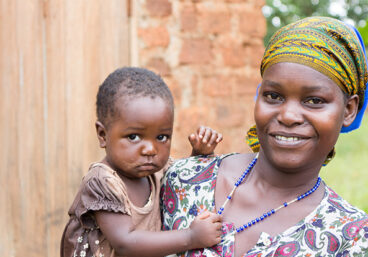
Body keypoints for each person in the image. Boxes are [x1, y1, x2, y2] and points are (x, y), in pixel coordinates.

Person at [161, 16, 368, 256]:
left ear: (349, 110)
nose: (289, 115)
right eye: (273, 96)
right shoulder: (186, 179)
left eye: (314, 101)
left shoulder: (350, 236)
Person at [60, 67, 224, 257]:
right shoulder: (102, 182)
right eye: (134, 136)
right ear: (103, 135)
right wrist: (191, 237)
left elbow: (183, 186)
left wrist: (199, 155)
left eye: (162, 137)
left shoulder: (158, 172)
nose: (150, 149)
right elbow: (125, 243)